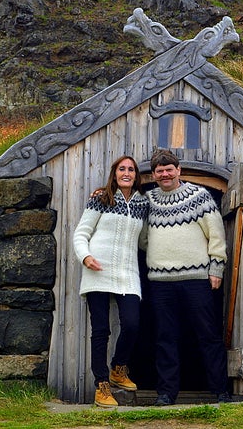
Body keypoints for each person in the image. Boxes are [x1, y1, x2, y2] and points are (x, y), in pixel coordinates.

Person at [144, 148, 231, 406]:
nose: (165, 174)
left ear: (178, 170)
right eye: (159, 171)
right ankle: (166, 393)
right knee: (165, 338)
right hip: (160, 282)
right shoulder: (147, 200)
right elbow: (138, 234)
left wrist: (216, 268)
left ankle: (220, 391)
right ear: (154, 175)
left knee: (208, 335)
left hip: (197, 279)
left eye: (169, 169)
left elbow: (216, 234)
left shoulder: (199, 196)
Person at [72, 155, 149, 408]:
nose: (126, 173)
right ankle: (102, 386)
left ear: (137, 175)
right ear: (114, 173)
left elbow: (145, 241)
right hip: (98, 270)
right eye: (121, 169)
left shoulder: (142, 204)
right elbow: (81, 233)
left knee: (132, 324)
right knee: (101, 331)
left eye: (131, 169)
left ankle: (118, 368)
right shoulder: (101, 198)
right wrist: (86, 257)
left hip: (127, 274)